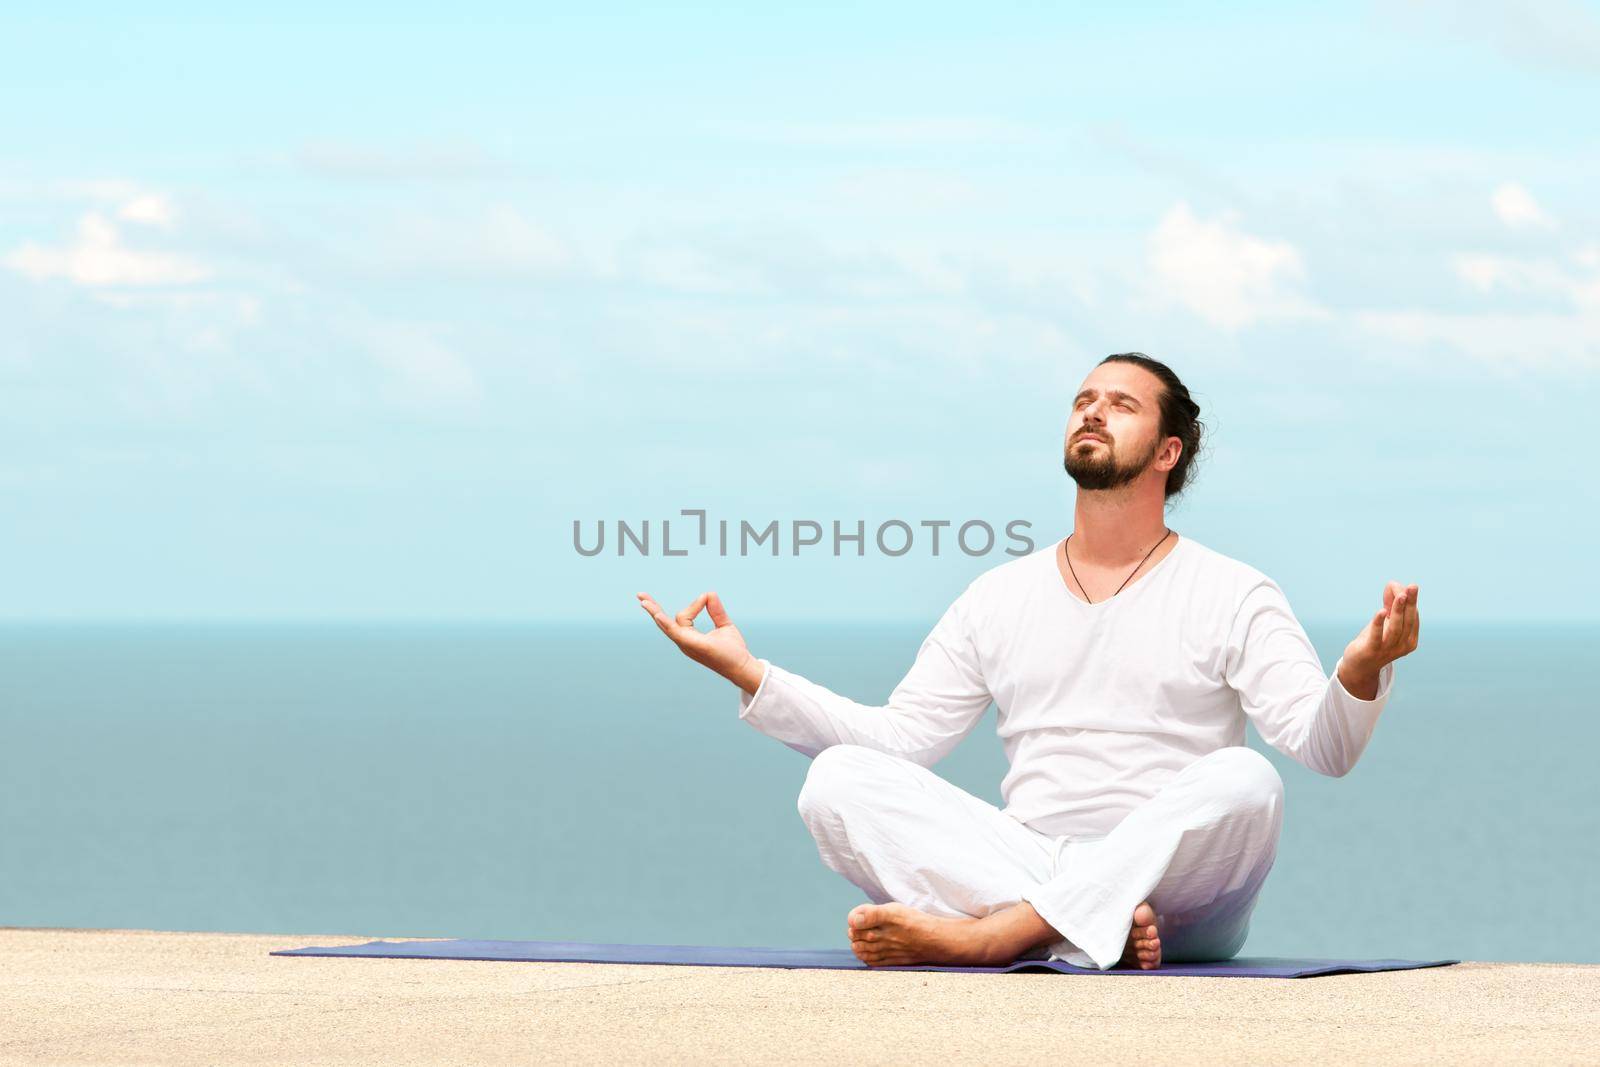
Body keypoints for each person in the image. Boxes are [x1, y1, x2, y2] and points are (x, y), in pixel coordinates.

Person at [637, 353, 1420, 971]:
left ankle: (994, 938)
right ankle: (1062, 928)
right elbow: (899, 740)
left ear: (1167, 451)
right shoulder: (997, 594)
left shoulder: (1234, 590)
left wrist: (1358, 670)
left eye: (1121, 403)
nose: (1093, 408)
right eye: (1085, 398)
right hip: (1028, 858)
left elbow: (1325, 747)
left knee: (1248, 782)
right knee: (837, 780)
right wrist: (748, 670)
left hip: (1175, 899)